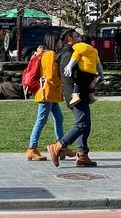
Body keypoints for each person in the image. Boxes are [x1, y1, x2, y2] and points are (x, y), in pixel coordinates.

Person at [47, 29, 97, 168]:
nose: (79, 38)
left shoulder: (68, 53)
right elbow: (75, 75)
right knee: (83, 123)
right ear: (70, 38)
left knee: (85, 123)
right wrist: (91, 79)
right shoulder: (68, 54)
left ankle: (82, 154)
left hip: (78, 93)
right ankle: (59, 145)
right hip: (75, 94)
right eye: (76, 36)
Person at [26, 32, 75, 162]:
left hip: (50, 94)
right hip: (46, 93)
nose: (61, 42)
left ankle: (61, 146)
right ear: (54, 41)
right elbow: (51, 76)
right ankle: (32, 148)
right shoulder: (50, 55)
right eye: (59, 40)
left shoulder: (46, 53)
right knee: (41, 120)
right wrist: (64, 83)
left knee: (59, 118)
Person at [63, 34, 104, 107]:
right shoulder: (94, 51)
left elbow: (74, 59)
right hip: (91, 73)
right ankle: (91, 94)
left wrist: (69, 66)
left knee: (77, 83)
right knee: (90, 83)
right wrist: (101, 74)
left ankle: (75, 95)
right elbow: (98, 65)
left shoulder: (78, 49)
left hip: (82, 72)